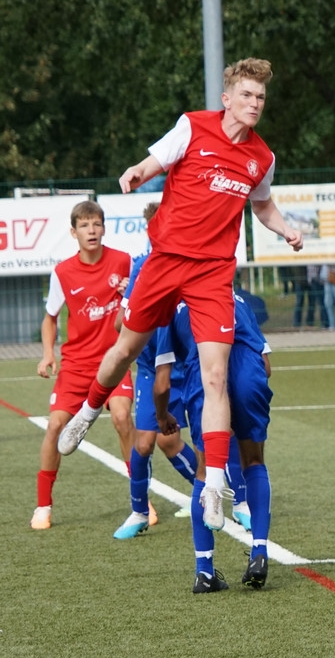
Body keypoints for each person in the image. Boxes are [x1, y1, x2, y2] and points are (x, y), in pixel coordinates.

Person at [57, 57, 303, 534]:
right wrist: (138, 170)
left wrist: (286, 229)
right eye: (247, 95)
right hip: (165, 261)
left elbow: (263, 205)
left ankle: (214, 486)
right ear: (227, 99)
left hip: (212, 275)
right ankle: (87, 412)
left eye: (261, 97)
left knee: (216, 376)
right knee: (125, 349)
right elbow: (155, 162)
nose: (255, 104)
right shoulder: (193, 126)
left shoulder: (262, 158)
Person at [157, 292, 274, 593]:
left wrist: (162, 415)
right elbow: (266, 365)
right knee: (254, 461)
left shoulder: (173, 308)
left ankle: (204, 571)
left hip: (205, 377)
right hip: (249, 372)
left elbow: (163, 382)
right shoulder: (238, 300)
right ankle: (259, 551)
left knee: (205, 471)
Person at [32, 200, 135, 530]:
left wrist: (130, 292)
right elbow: (50, 318)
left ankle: (140, 500)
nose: (92, 230)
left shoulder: (124, 262)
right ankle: (43, 506)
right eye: (85, 225)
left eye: (97, 224)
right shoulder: (63, 272)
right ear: (73, 232)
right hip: (76, 366)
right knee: (54, 426)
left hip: (114, 361)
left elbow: (139, 303)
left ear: (104, 228)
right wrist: (48, 354)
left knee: (122, 417)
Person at [112, 202, 199, 539]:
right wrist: (136, 307)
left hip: (188, 366)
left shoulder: (194, 263)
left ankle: (218, 495)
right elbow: (121, 323)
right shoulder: (142, 267)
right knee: (147, 442)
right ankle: (138, 511)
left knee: (185, 440)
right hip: (152, 367)